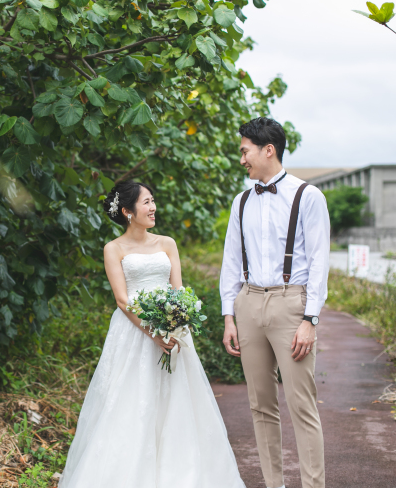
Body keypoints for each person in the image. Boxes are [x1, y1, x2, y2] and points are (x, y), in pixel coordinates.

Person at [59, 180, 244, 488]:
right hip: (132, 334)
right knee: (130, 403)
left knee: (178, 403)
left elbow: (178, 290)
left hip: (173, 333)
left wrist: (177, 323)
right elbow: (122, 299)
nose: (153, 207)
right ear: (127, 212)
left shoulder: (167, 243)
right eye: (146, 202)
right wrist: (153, 333)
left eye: (153, 200)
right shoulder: (113, 249)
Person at [220, 117, 330, 488]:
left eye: (245, 151)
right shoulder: (241, 201)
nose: (242, 159)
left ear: (269, 150)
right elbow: (231, 261)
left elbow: (319, 262)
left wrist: (309, 319)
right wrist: (229, 316)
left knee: (302, 405)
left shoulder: (308, 196)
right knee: (260, 405)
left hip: (291, 304)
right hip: (249, 304)